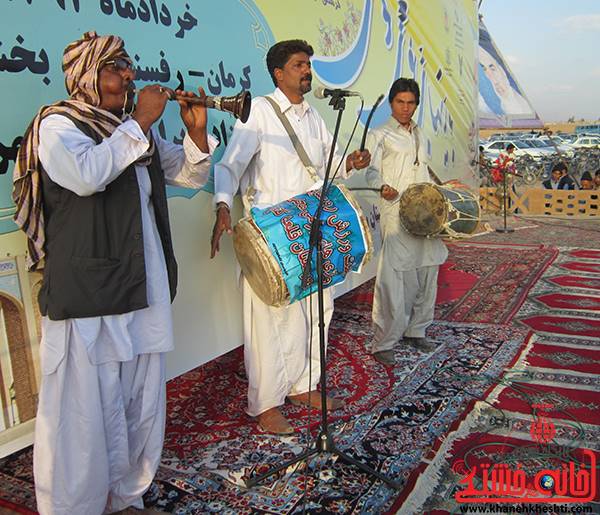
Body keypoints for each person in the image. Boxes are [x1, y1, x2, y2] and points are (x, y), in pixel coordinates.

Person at [12, 32, 216, 515]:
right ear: (85, 75)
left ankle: (127, 495)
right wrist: (141, 121)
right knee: (80, 412)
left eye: (128, 66)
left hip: (141, 286)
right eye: (115, 67)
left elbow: (187, 174)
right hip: (88, 289)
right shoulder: (58, 125)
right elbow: (86, 176)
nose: (128, 76)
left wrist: (197, 131)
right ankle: (75, 506)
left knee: (139, 401)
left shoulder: (131, 129)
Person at [210, 39, 370, 435]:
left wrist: (350, 162)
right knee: (270, 322)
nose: (307, 70)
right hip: (273, 237)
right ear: (279, 73)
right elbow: (230, 165)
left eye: (308, 64)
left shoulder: (314, 116)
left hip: (312, 229)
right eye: (300, 64)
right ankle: (265, 404)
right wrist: (222, 206)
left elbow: (328, 165)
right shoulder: (259, 113)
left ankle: (304, 385)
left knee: (319, 310)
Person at [364, 78, 448, 366]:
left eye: (411, 102)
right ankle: (384, 341)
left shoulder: (418, 133)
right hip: (396, 212)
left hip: (424, 215)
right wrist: (382, 186)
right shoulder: (380, 135)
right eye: (400, 102)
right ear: (391, 103)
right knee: (394, 278)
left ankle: (417, 329)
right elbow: (371, 172)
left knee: (428, 270)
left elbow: (422, 169)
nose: (405, 108)